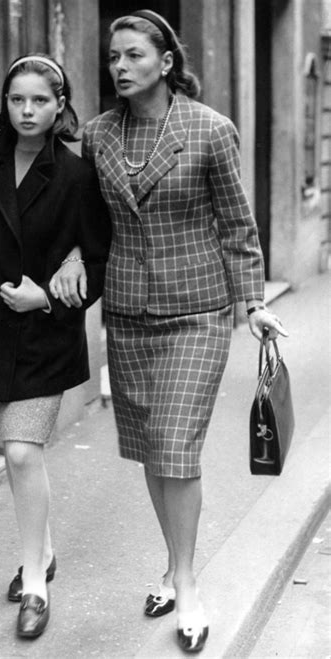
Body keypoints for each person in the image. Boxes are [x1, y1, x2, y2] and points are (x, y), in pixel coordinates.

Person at [49, 10, 288, 654]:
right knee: (155, 450)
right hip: (127, 312)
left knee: (175, 444)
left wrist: (253, 302)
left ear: (166, 61)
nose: (119, 66)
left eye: (132, 55)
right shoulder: (98, 135)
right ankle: (175, 563)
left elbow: (238, 225)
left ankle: (186, 584)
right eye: (113, 57)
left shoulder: (210, 130)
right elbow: (87, 222)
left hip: (197, 312)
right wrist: (73, 256)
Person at [0, 54, 110, 640]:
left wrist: (50, 301)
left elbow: (101, 259)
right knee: (8, 451)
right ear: (4, 104)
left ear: (61, 107)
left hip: (44, 341)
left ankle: (35, 581)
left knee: (23, 455)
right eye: (17, 100)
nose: (27, 110)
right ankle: (46, 547)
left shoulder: (79, 177)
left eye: (40, 100)